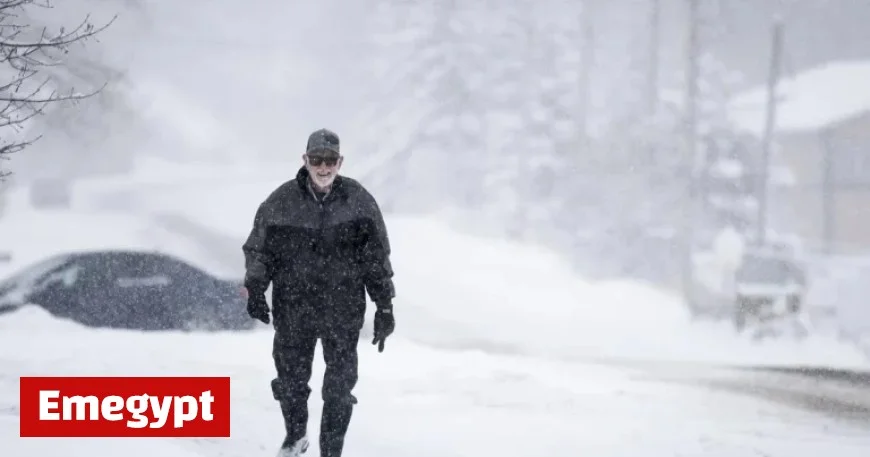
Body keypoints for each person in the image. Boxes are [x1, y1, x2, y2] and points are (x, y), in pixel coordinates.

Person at [242, 128, 396, 457]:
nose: (323, 168)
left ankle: (331, 452)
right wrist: (256, 288)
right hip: (293, 310)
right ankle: (296, 437)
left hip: (342, 312)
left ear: (340, 162)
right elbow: (259, 250)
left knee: (339, 389)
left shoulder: (359, 203)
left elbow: (376, 259)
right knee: (291, 383)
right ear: (305, 160)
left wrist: (385, 306)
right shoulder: (280, 203)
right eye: (317, 160)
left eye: (330, 161)